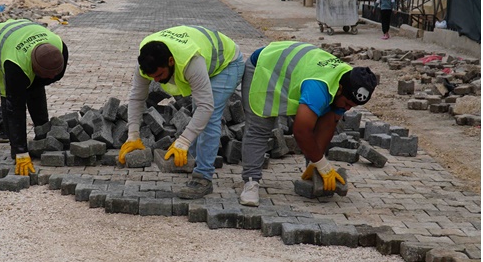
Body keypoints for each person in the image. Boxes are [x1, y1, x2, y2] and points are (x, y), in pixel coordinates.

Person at [238, 41, 378, 207]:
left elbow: (328, 123)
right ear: (339, 89)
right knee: (260, 127)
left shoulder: (349, 81)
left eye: (351, 106)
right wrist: (323, 166)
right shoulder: (318, 88)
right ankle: (251, 182)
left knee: (326, 113)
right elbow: (301, 131)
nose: (347, 108)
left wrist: (314, 162)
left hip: (294, 73)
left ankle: (311, 171)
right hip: (265, 67)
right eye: (346, 103)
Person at [119, 26, 245, 199]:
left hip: (227, 63)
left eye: (159, 74)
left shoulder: (189, 61)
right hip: (202, 57)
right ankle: (187, 159)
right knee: (198, 112)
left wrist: (183, 140)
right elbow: (136, 98)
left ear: (170, 61)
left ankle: (203, 177)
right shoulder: (146, 59)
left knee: (210, 115)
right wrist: (133, 134)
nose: (155, 81)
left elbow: (206, 107)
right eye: (151, 77)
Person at [0, 19, 69, 177]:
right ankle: (12, 142)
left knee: (34, 89)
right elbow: (16, 108)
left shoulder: (60, 48)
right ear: (33, 67)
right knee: (10, 98)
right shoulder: (14, 66)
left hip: (23, 32)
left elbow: (37, 85)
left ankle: (42, 136)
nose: (53, 77)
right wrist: (21, 151)